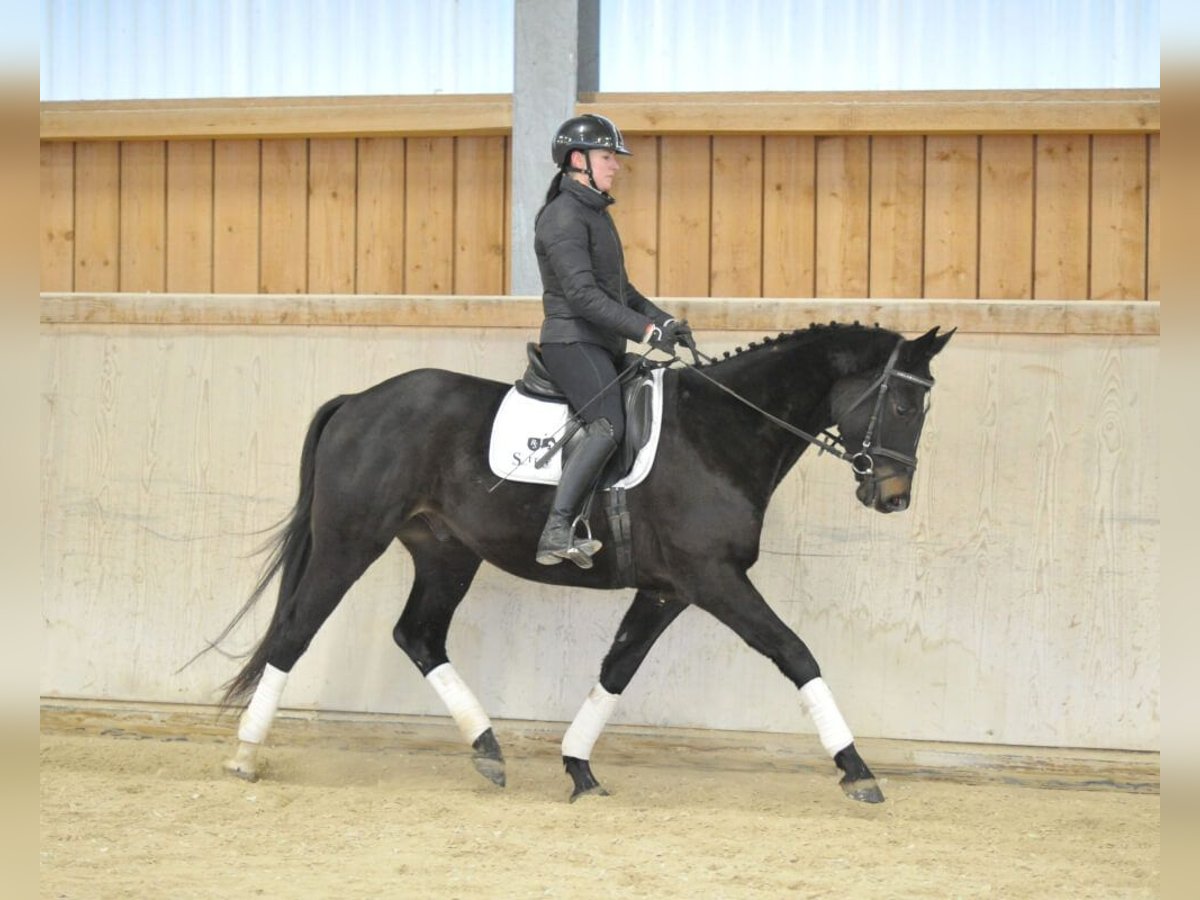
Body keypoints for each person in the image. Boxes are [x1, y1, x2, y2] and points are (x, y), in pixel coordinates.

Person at [533, 113, 694, 569]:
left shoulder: (595, 215)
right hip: (572, 341)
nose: (615, 166)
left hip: (602, 343)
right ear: (578, 160)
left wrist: (664, 321)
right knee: (608, 426)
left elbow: (621, 292)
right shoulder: (563, 217)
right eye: (607, 157)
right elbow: (583, 296)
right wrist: (645, 331)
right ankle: (557, 528)